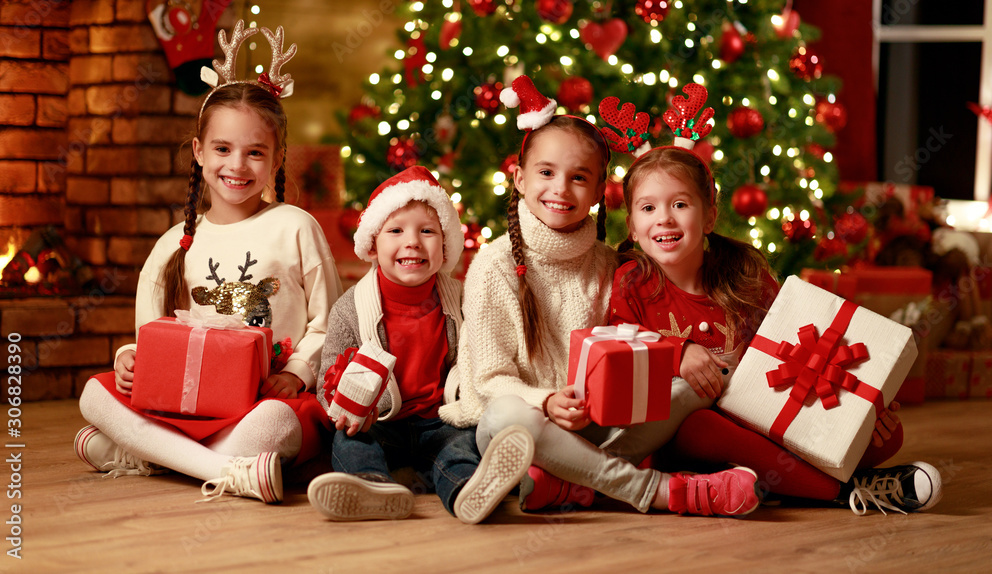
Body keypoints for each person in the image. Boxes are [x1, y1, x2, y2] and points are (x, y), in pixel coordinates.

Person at [441, 77, 760, 518]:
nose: (560, 189)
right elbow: (489, 384)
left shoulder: (613, 265)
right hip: (529, 425)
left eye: (579, 178)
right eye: (546, 172)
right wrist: (548, 402)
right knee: (504, 416)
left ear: (598, 192)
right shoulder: (493, 267)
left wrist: (678, 354)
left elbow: (633, 345)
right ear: (518, 178)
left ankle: (574, 482)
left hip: (599, 426)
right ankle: (657, 491)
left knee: (694, 385)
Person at [608, 103, 941, 516]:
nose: (665, 219)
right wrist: (677, 354)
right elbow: (617, 352)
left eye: (680, 204)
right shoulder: (631, 283)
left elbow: (798, 344)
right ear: (633, 229)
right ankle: (848, 492)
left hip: (762, 416)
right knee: (702, 427)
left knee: (887, 436)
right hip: (684, 433)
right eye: (648, 208)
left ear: (709, 216)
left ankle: (777, 479)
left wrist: (866, 402)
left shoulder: (744, 277)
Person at [75, 22, 343, 503]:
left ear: (277, 159)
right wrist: (129, 361)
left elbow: (331, 322)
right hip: (188, 404)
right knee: (95, 394)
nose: (237, 166)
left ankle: (142, 453)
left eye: (255, 152)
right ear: (199, 152)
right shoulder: (174, 243)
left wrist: (298, 370)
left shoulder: (295, 226)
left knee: (277, 423)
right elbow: (150, 337)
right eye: (222, 149)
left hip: (265, 400)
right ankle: (226, 469)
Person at [306, 166, 534, 524]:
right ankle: (372, 486)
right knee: (348, 445)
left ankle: (466, 488)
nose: (412, 241)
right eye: (395, 230)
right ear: (372, 243)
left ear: (444, 247)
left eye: (427, 231)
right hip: (379, 423)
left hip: (440, 419)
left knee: (461, 445)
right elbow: (328, 379)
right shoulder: (351, 307)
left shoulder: (461, 299)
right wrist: (344, 411)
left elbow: (481, 355)